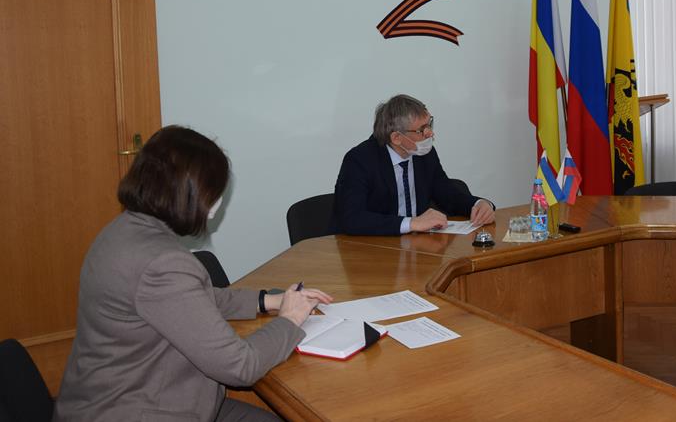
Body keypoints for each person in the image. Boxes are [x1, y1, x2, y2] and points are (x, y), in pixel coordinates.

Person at [54, 126, 332, 422]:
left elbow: (189, 300)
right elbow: (241, 366)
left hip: (122, 396)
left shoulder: (123, 230)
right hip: (140, 409)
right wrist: (289, 320)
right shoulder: (162, 263)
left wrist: (265, 301)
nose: (217, 202)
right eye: (214, 192)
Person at [332, 94, 496, 236]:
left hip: (416, 246)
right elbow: (352, 218)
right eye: (422, 130)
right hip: (369, 250)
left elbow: (447, 194)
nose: (430, 133)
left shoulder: (424, 154)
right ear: (396, 138)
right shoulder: (360, 160)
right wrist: (411, 223)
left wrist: (479, 204)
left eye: (429, 124)